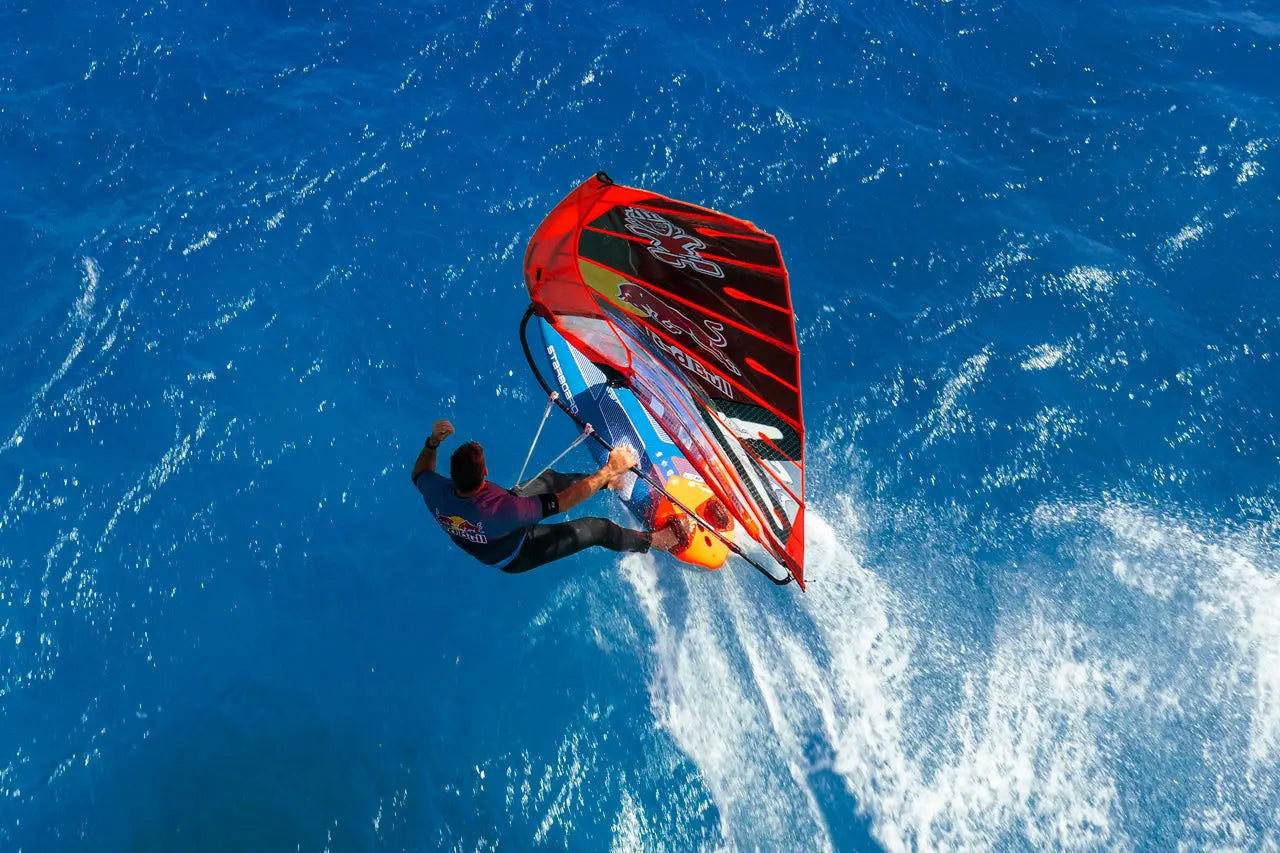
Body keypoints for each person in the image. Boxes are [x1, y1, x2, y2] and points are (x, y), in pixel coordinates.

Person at [412, 419, 692, 572]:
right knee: (598, 529)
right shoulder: (506, 510)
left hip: (493, 520)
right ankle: (656, 541)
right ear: (485, 472)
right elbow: (566, 502)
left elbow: (419, 473)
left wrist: (432, 441)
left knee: (551, 479)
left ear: (451, 478)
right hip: (516, 552)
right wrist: (608, 469)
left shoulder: (437, 492)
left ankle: (612, 482)